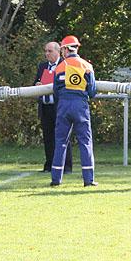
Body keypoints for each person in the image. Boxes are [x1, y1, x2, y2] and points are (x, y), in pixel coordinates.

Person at [50, 35, 97, 187]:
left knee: (60, 142)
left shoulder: (59, 67)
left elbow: (55, 91)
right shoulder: (86, 66)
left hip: (63, 106)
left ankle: (56, 179)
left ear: (65, 49)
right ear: (76, 48)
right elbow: (92, 91)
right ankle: (88, 180)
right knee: (85, 142)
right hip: (80, 106)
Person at [34, 41, 73, 174]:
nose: (47, 54)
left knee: (63, 137)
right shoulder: (42, 66)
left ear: (58, 52)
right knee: (48, 137)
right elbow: (35, 83)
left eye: (49, 51)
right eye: (45, 51)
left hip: (60, 107)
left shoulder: (65, 65)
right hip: (45, 107)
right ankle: (49, 165)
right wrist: (38, 85)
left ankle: (66, 166)